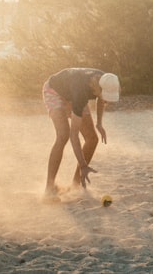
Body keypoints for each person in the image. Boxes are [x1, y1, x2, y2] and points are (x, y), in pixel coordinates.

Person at [42, 67, 120, 201]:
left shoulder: (108, 80)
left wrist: (99, 123)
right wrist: (83, 165)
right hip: (54, 91)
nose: (107, 100)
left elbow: (101, 99)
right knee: (64, 135)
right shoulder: (81, 93)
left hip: (72, 92)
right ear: (98, 88)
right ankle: (48, 190)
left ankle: (75, 186)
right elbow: (74, 135)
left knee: (92, 139)